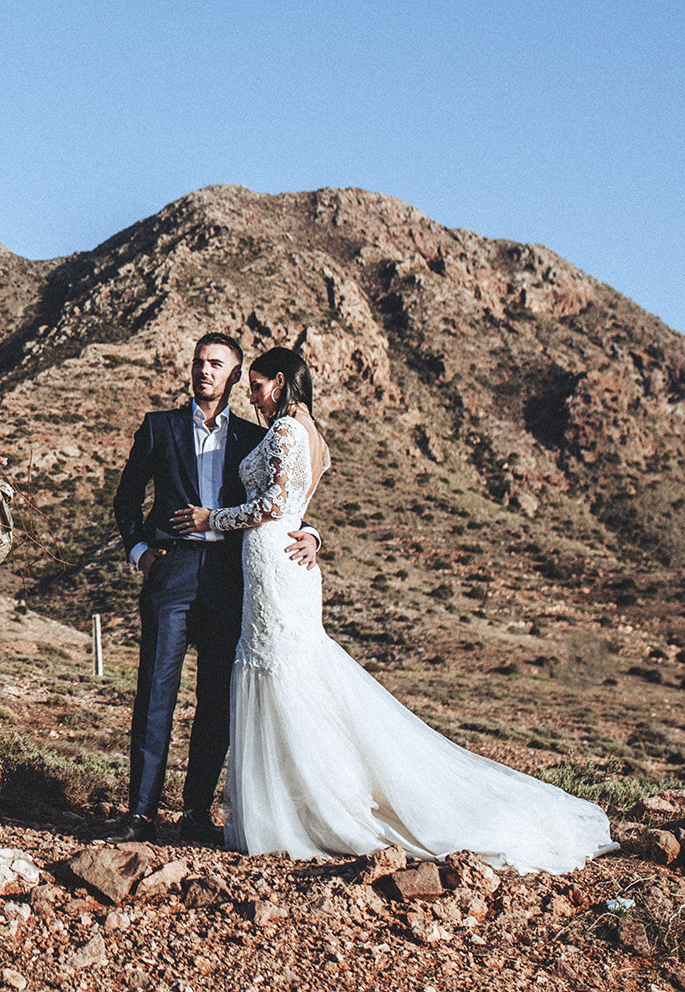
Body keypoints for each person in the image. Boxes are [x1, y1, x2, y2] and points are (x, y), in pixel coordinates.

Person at [170, 346, 615, 869]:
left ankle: (309, 812)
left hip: (274, 563)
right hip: (280, 561)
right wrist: (309, 531)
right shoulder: (308, 434)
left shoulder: (289, 431)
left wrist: (211, 519)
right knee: (289, 676)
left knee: (283, 674)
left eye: (261, 384)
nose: (254, 393)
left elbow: (275, 505)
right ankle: (298, 805)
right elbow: (296, 506)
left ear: (285, 382)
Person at [104, 332, 319, 846]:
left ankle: (196, 812)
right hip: (171, 574)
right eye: (199, 362)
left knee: (217, 699)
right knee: (155, 692)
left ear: (235, 374)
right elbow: (126, 499)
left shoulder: (254, 436)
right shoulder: (159, 428)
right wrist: (139, 552)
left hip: (230, 580)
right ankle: (140, 813)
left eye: (217, 364)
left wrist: (312, 534)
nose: (205, 370)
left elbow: (288, 496)